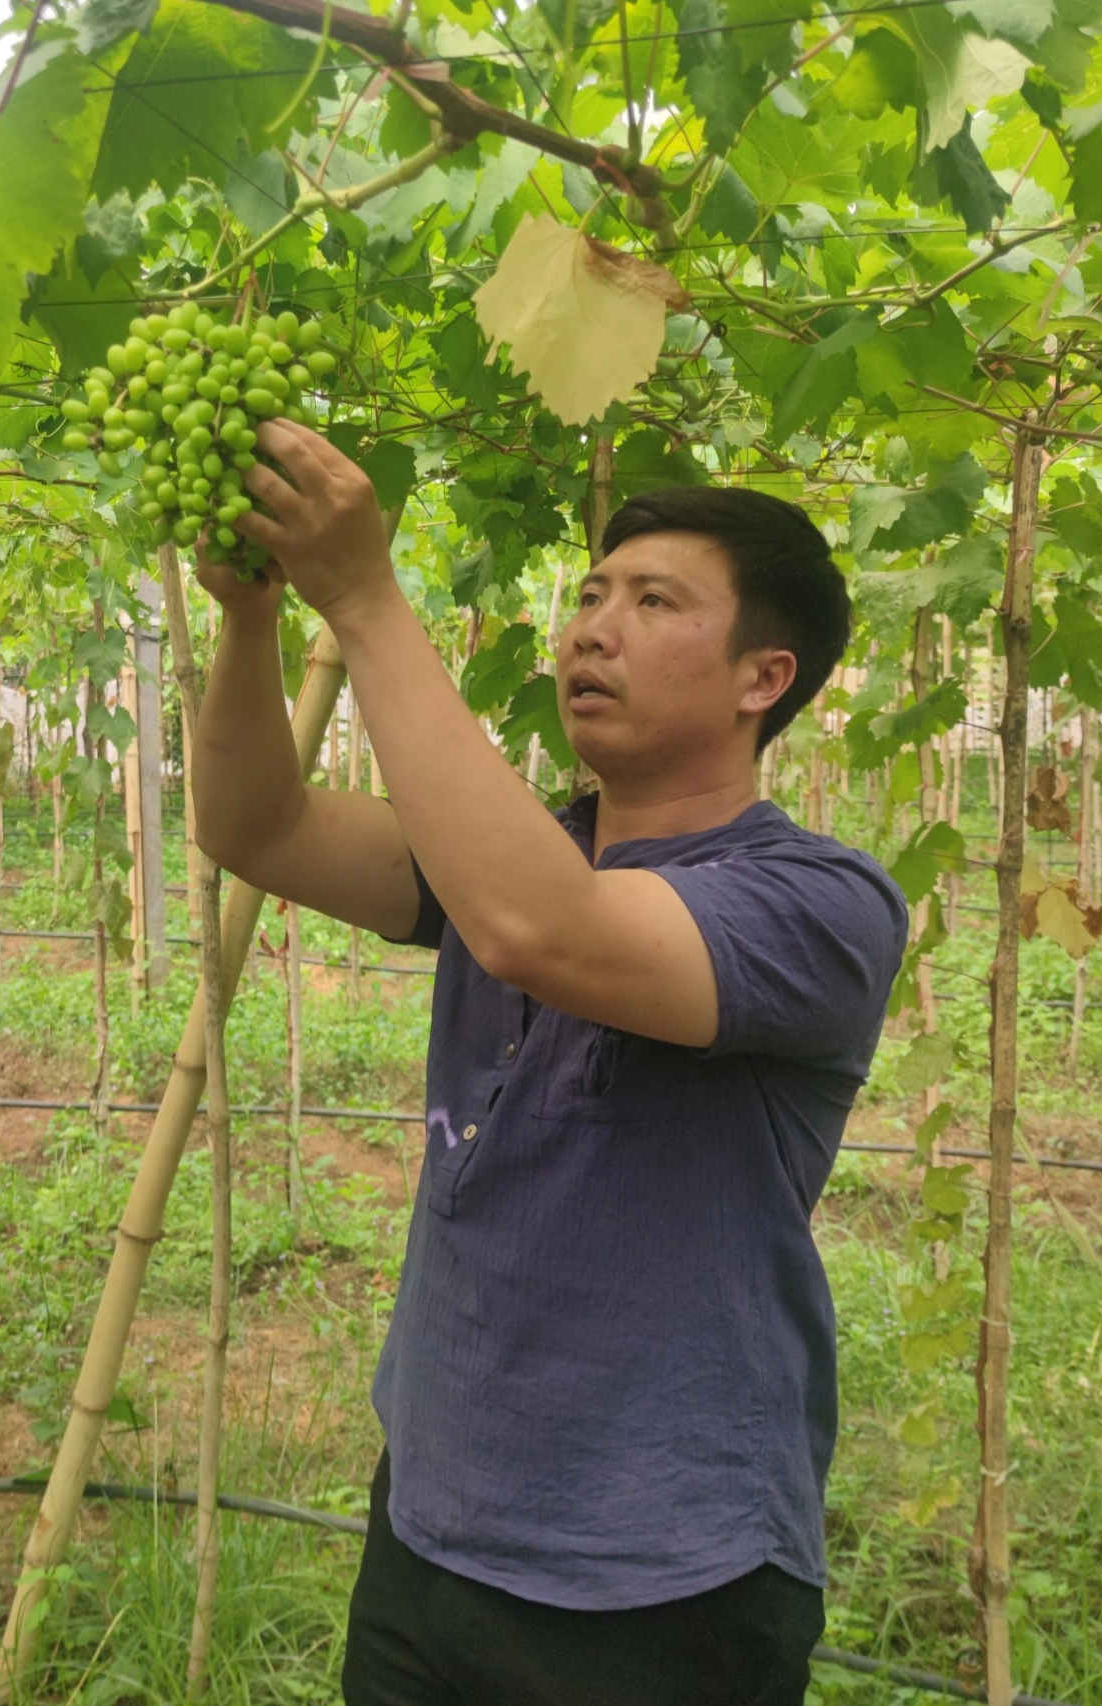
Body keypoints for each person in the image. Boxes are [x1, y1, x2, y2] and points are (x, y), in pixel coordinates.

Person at [190, 421, 910, 1705]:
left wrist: (359, 594)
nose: (592, 627)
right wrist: (250, 617)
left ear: (764, 678)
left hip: (661, 1579)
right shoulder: (511, 854)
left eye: (652, 601)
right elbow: (259, 823)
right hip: (430, 1529)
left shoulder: (821, 904)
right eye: (588, 595)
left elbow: (540, 930)